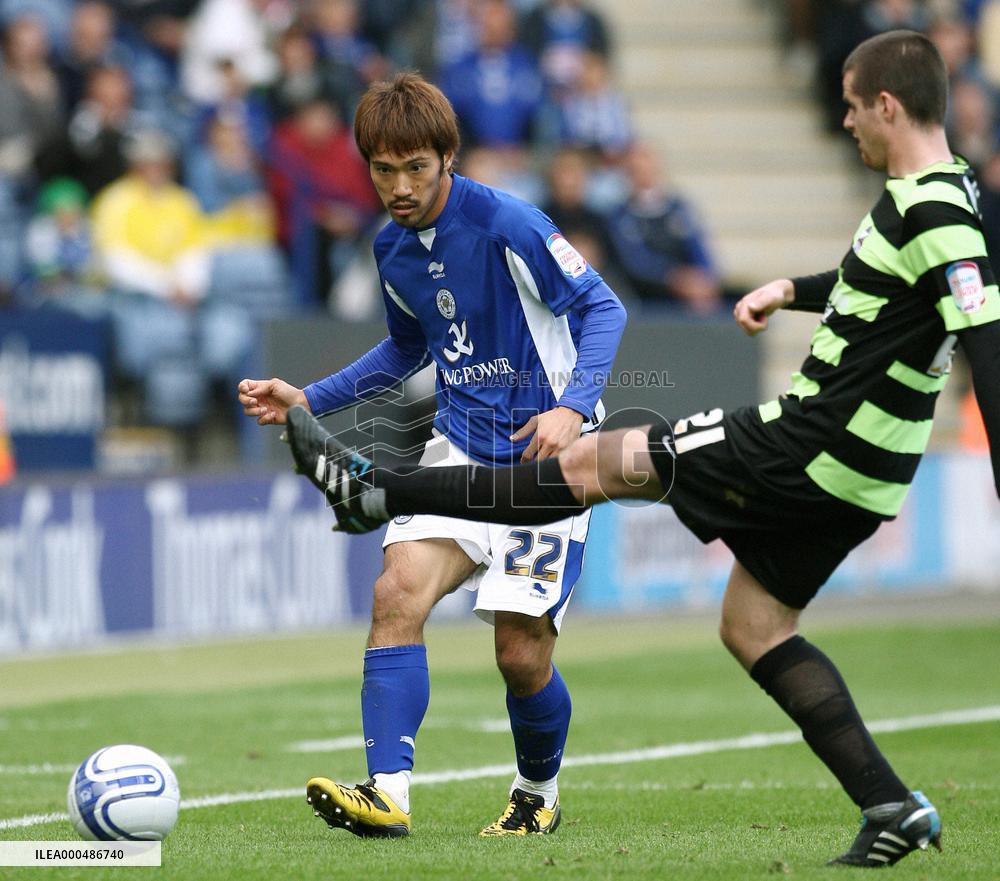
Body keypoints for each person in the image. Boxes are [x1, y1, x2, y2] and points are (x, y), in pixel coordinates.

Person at [284, 31, 1000, 866]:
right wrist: (795, 290)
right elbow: (891, 285)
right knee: (753, 627)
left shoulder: (939, 209)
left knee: (578, 499)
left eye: (848, 103)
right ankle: (891, 806)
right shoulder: (930, 196)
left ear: (886, 104)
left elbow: (980, 329)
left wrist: (570, 405)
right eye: (384, 169)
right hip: (851, 471)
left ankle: (384, 497)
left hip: (805, 439)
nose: (841, 120)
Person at [239, 71, 627, 838]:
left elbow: (601, 305)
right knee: (396, 593)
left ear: (448, 157)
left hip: (545, 460)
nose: (400, 185)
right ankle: (388, 794)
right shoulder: (391, 247)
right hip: (457, 450)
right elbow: (408, 347)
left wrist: (572, 408)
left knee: (520, 654)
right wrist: (308, 398)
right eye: (383, 169)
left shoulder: (508, 221)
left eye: (416, 166)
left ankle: (536, 792)